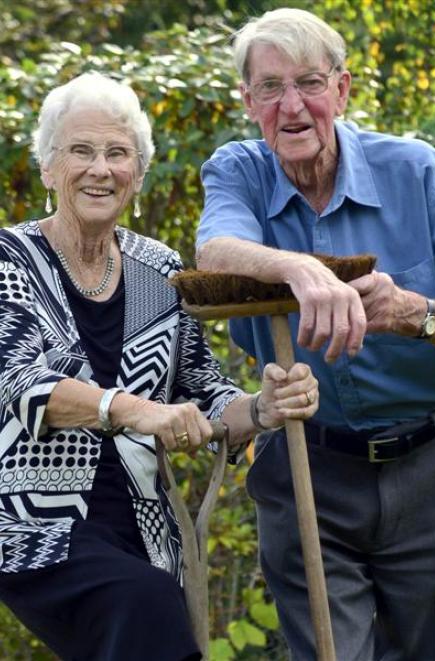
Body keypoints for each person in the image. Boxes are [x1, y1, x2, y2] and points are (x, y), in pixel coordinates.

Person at [196, 8, 435, 661]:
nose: (293, 105)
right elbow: (215, 250)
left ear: (343, 90)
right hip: (311, 464)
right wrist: (300, 270)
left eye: (309, 82)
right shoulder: (238, 171)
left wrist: (417, 313)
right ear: (249, 102)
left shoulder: (420, 174)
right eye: (271, 88)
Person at [0, 71, 320, 661]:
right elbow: (19, 385)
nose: (101, 168)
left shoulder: (156, 268)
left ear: (138, 175)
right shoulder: (10, 259)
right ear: (48, 168)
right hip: (34, 528)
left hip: (148, 528)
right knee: (141, 605)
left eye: (119, 154)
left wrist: (262, 406)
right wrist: (133, 410)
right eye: (81, 151)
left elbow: (204, 389)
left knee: (145, 613)